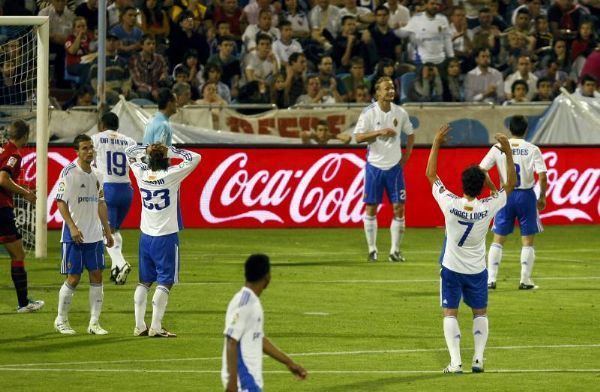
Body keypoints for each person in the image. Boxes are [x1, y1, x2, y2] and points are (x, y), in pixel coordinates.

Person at [426, 124, 517, 374]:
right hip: (477, 269)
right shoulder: (488, 206)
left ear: (462, 183)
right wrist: (508, 152)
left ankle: (456, 362)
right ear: (481, 187)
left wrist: (436, 142)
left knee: (450, 313)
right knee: (480, 313)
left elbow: (431, 175)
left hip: (452, 268)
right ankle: (478, 358)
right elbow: (510, 185)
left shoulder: (449, 203)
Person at [125, 143, 201, 337]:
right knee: (165, 281)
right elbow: (195, 157)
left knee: (144, 281)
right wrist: (170, 149)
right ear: (167, 160)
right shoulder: (171, 174)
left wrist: (147, 148)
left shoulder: (141, 172)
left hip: (145, 235)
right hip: (165, 236)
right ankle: (156, 327)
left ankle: (139, 325)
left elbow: (129, 153)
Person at [54, 134, 114, 335]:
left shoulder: (98, 174)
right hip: (75, 236)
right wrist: (71, 227)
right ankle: (61, 319)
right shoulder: (69, 172)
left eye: (91, 148)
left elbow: (101, 203)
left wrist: (107, 230)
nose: (89, 151)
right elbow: (61, 202)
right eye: (84, 148)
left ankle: (94, 323)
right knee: (74, 278)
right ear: (77, 151)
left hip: (95, 235)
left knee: (97, 276)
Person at [480, 115, 548, 290]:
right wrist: (542, 197)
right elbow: (542, 176)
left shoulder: (498, 147)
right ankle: (525, 281)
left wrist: (493, 189)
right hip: (526, 196)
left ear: (510, 129)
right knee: (527, 240)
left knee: (498, 239)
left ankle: (491, 280)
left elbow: (481, 170)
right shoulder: (532, 149)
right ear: (526, 129)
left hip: (506, 194)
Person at [222, 254, 307, 391]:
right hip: (244, 382)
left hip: (250, 381)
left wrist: (289, 363)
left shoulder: (252, 301)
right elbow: (231, 340)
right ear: (267, 276)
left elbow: (259, 339)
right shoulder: (244, 303)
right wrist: (232, 381)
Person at [353, 76, 415, 262]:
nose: (391, 91)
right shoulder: (368, 113)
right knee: (371, 208)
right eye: (386, 88)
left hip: (394, 168)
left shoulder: (400, 113)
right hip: (374, 167)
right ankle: (372, 250)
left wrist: (406, 157)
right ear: (377, 92)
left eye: (392, 88)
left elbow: (410, 134)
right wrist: (379, 132)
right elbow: (358, 137)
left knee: (399, 208)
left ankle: (394, 251)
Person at [0, 120, 44, 313]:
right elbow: (3, 179)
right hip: (1, 210)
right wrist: (25, 193)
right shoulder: (14, 154)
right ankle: (24, 303)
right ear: (25, 136)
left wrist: (23, 188)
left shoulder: (3, 150)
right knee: (18, 254)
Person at [91, 112, 137, 285]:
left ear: (102, 125)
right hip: (126, 189)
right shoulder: (129, 141)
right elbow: (136, 163)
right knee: (114, 230)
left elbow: (87, 161)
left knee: (105, 231)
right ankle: (115, 270)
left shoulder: (95, 139)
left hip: (108, 188)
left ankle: (121, 263)